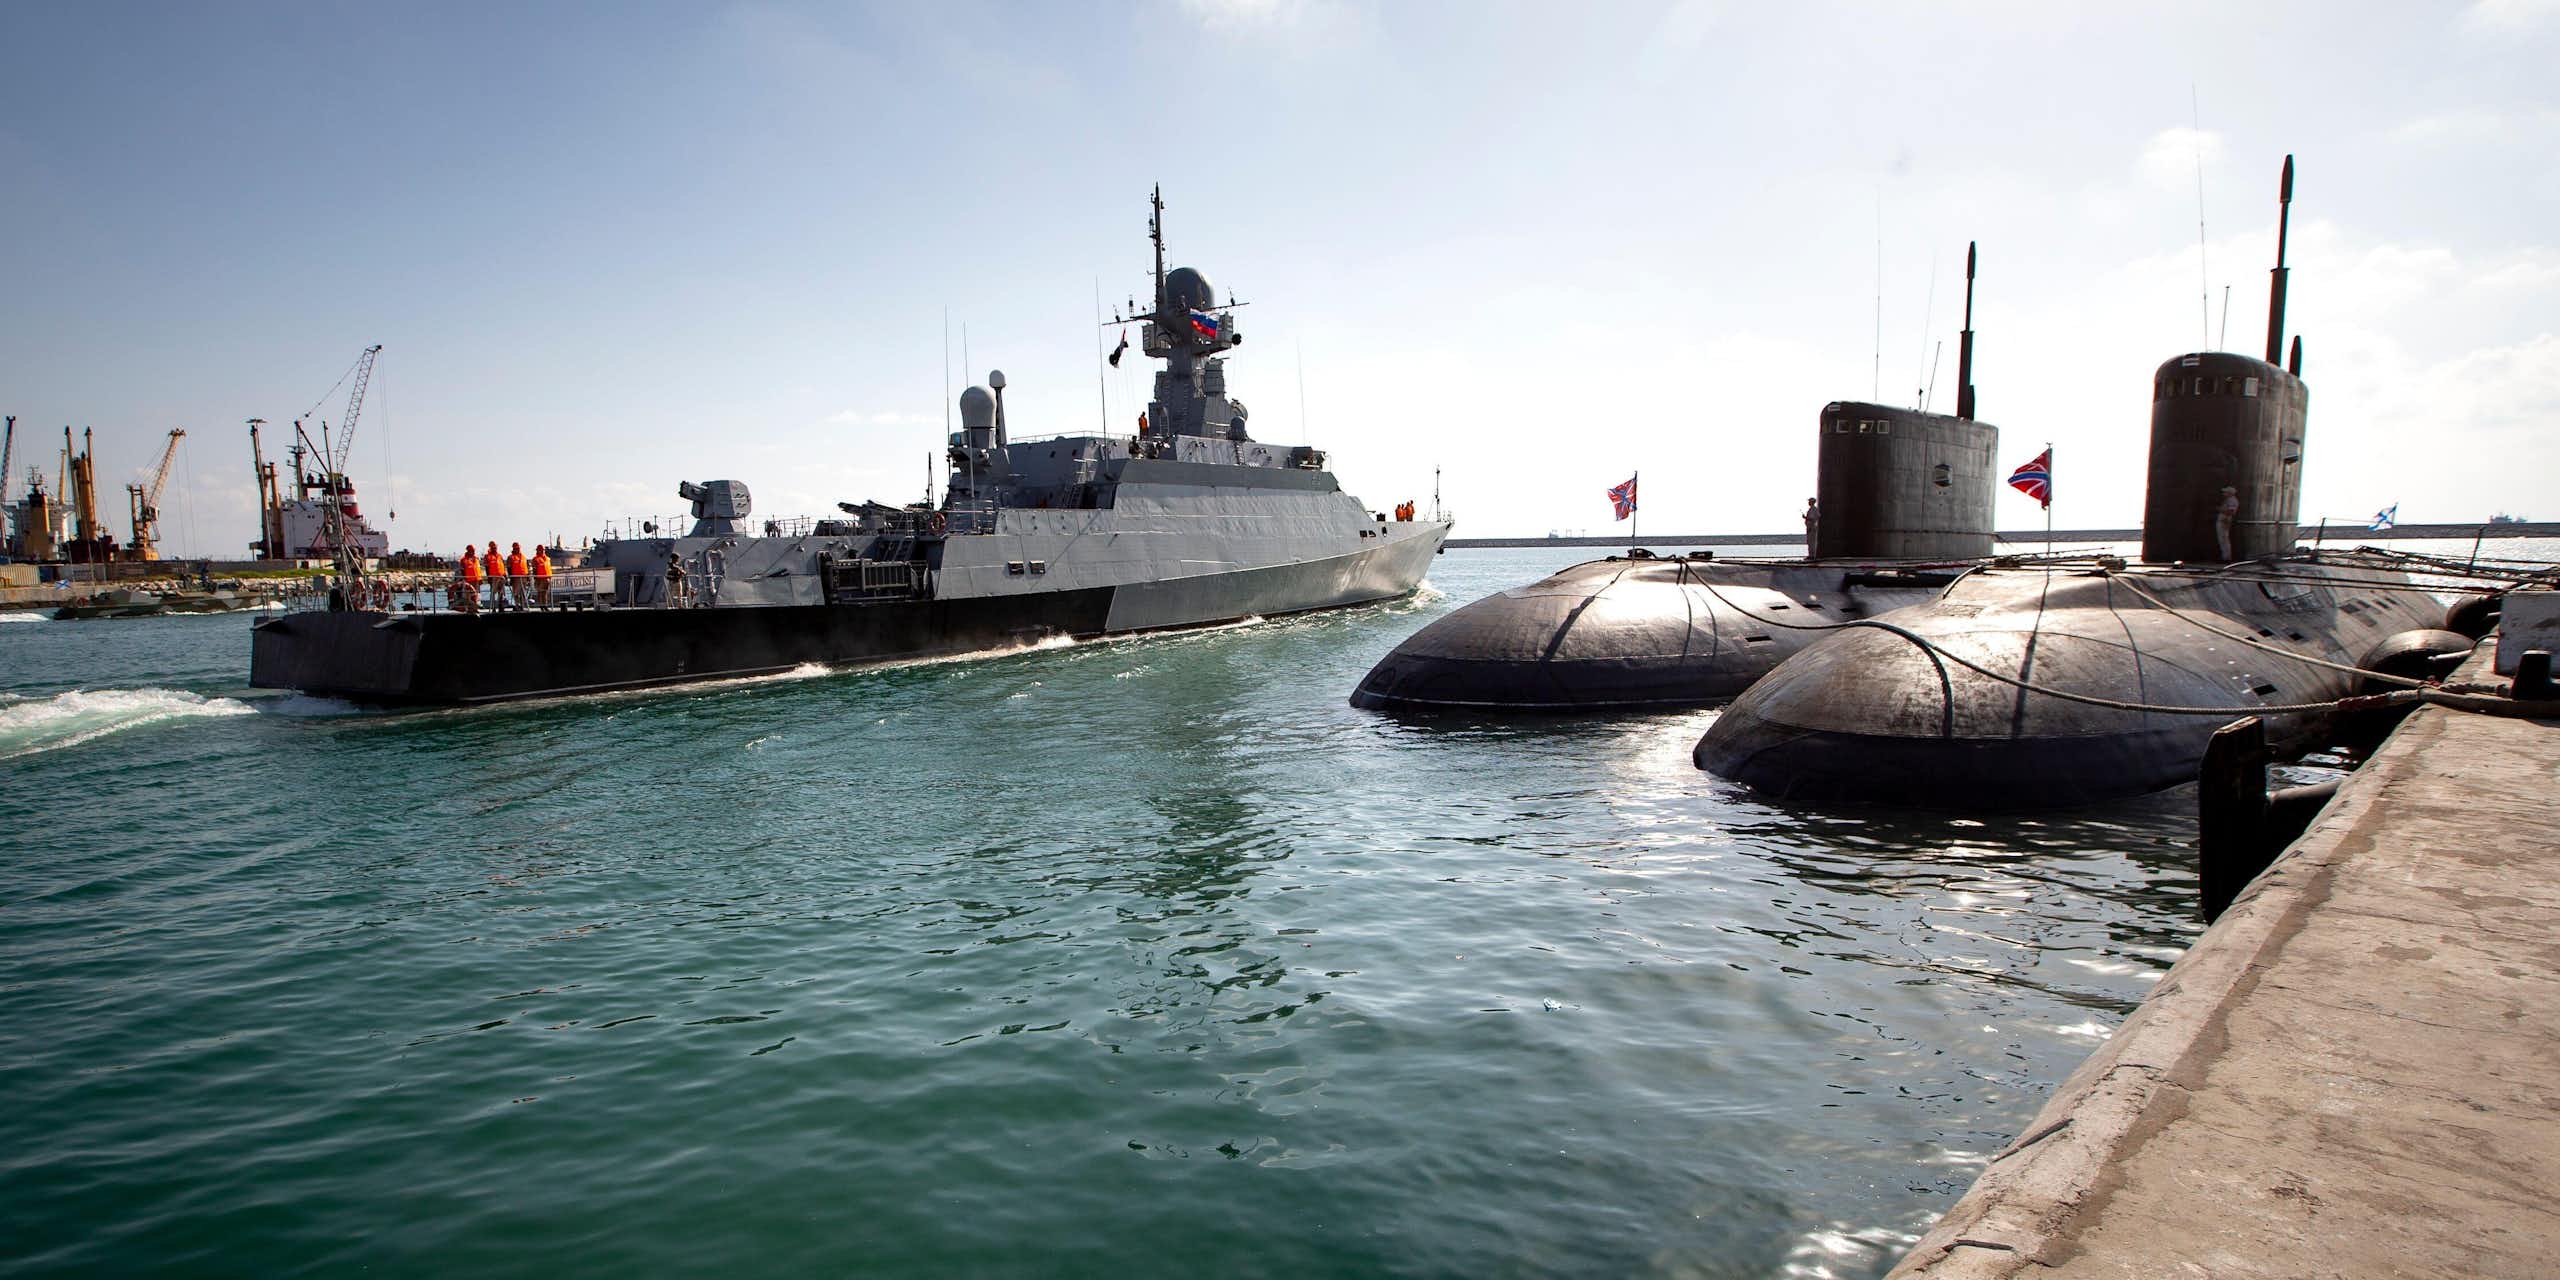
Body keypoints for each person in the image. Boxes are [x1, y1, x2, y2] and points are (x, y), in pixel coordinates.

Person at [2215, 486, 2241, 561]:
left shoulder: (2232, 500)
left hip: (2224, 519)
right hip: (2224, 519)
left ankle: (2226, 557)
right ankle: (2225, 556)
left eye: (2225, 492)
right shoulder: (2229, 500)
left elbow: (2231, 511)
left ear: (2229, 493)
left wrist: (2220, 509)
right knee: (2223, 539)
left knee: (2224, 539)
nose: (2224, 493)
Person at [457, 543, 483, 614]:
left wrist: (480, 579)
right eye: (472, 550)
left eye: (473, 550)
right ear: (468, 551)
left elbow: (478, 569)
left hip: (477, 580)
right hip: (469, 580)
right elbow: (462, 570)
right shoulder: (463, 560)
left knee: (476, 595)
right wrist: (465, 580)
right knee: (468, 596)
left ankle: (475, 608)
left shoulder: (476, 559)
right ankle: (469, 609)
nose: (473, 552)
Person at [481, 542, 507, 609]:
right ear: (490, 548)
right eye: (493, 547)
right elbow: (487, 568)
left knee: (501, 592)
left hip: (501, 577)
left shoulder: (499, 556)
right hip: (493, 578)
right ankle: (493, 608)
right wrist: (489, 577)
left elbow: (503, 565)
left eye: (495, 547)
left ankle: (501, 606)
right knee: (493, 592)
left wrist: (505, 574)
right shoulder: (487, 556)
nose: (494, 548)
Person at [506, 542, 528, 610]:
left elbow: (526, 567)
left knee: (523, 593)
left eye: (518, 548)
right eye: (516, 548)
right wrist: (511, 578)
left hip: (524, 577)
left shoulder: (524, 557)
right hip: (516, 578)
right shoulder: (510, 557)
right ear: (513, 549)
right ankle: (516, 605)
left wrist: (528, 578)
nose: (517, 549)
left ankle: (522, 606)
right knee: (516, 593)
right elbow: (509, 568)